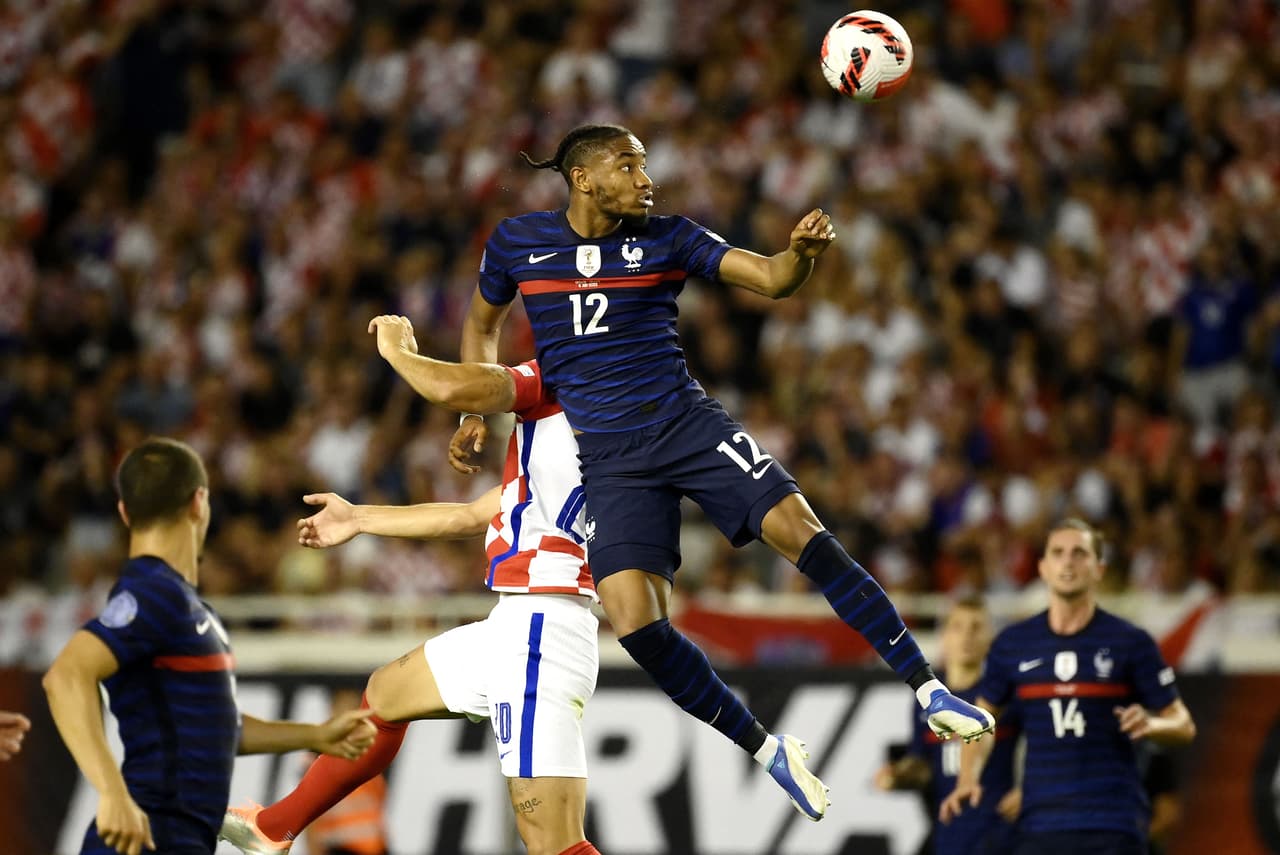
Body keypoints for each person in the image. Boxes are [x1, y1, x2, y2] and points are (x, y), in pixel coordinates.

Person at [452, 123, 995, 819]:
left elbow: (769, 278)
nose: (646, 178)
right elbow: (480, 324)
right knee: (634, 624)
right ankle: (771, 750)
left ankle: (928, 688)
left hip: (687, 427)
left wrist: (798, 257)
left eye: (646, 164)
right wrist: (473, 411)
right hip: (612, 463)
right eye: (629, 165)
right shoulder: (519, 242)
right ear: (583, 178)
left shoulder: (669, 236)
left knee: (801, 532)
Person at [220, 315, 603, 855]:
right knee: (385, 694)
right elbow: (467, 516)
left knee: (552, 841)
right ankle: (274, 826)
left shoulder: (570, 391)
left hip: (542, 629)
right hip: (517, 625)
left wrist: (398, 351)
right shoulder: (557, 454)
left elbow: (458, 381)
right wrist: (358, 518)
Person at [42, 437, 378, 855]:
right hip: (148, 837)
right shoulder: (153, 594)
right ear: (199, 503)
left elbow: (218, 727)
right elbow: (66, 676)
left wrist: (316, 734)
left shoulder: (187, 608)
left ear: (125, 512)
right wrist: (111, 793)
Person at [939, 519, 1197, 855]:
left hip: (1112, 825)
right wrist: (968, 778)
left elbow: (1183, 725)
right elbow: (981, 721)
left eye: (1079, 553)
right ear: (1043, 568)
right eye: (1058, 553)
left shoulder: (1130, 642)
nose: (1068, 562)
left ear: (1098, 569)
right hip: (1040, 828)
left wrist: (1152, 724)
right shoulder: (1014, 644)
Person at [875, 598, 1019, 855]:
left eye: (976, 627)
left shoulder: (1003, 694)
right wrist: (897, 776)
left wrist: (1027, 791)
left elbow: (1044, 747)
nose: (967, 636)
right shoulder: (925, 698)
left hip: (1001, 830)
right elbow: (922, 762)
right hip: (947, 827)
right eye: (957, 627)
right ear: (943, 636)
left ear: (991, 638)